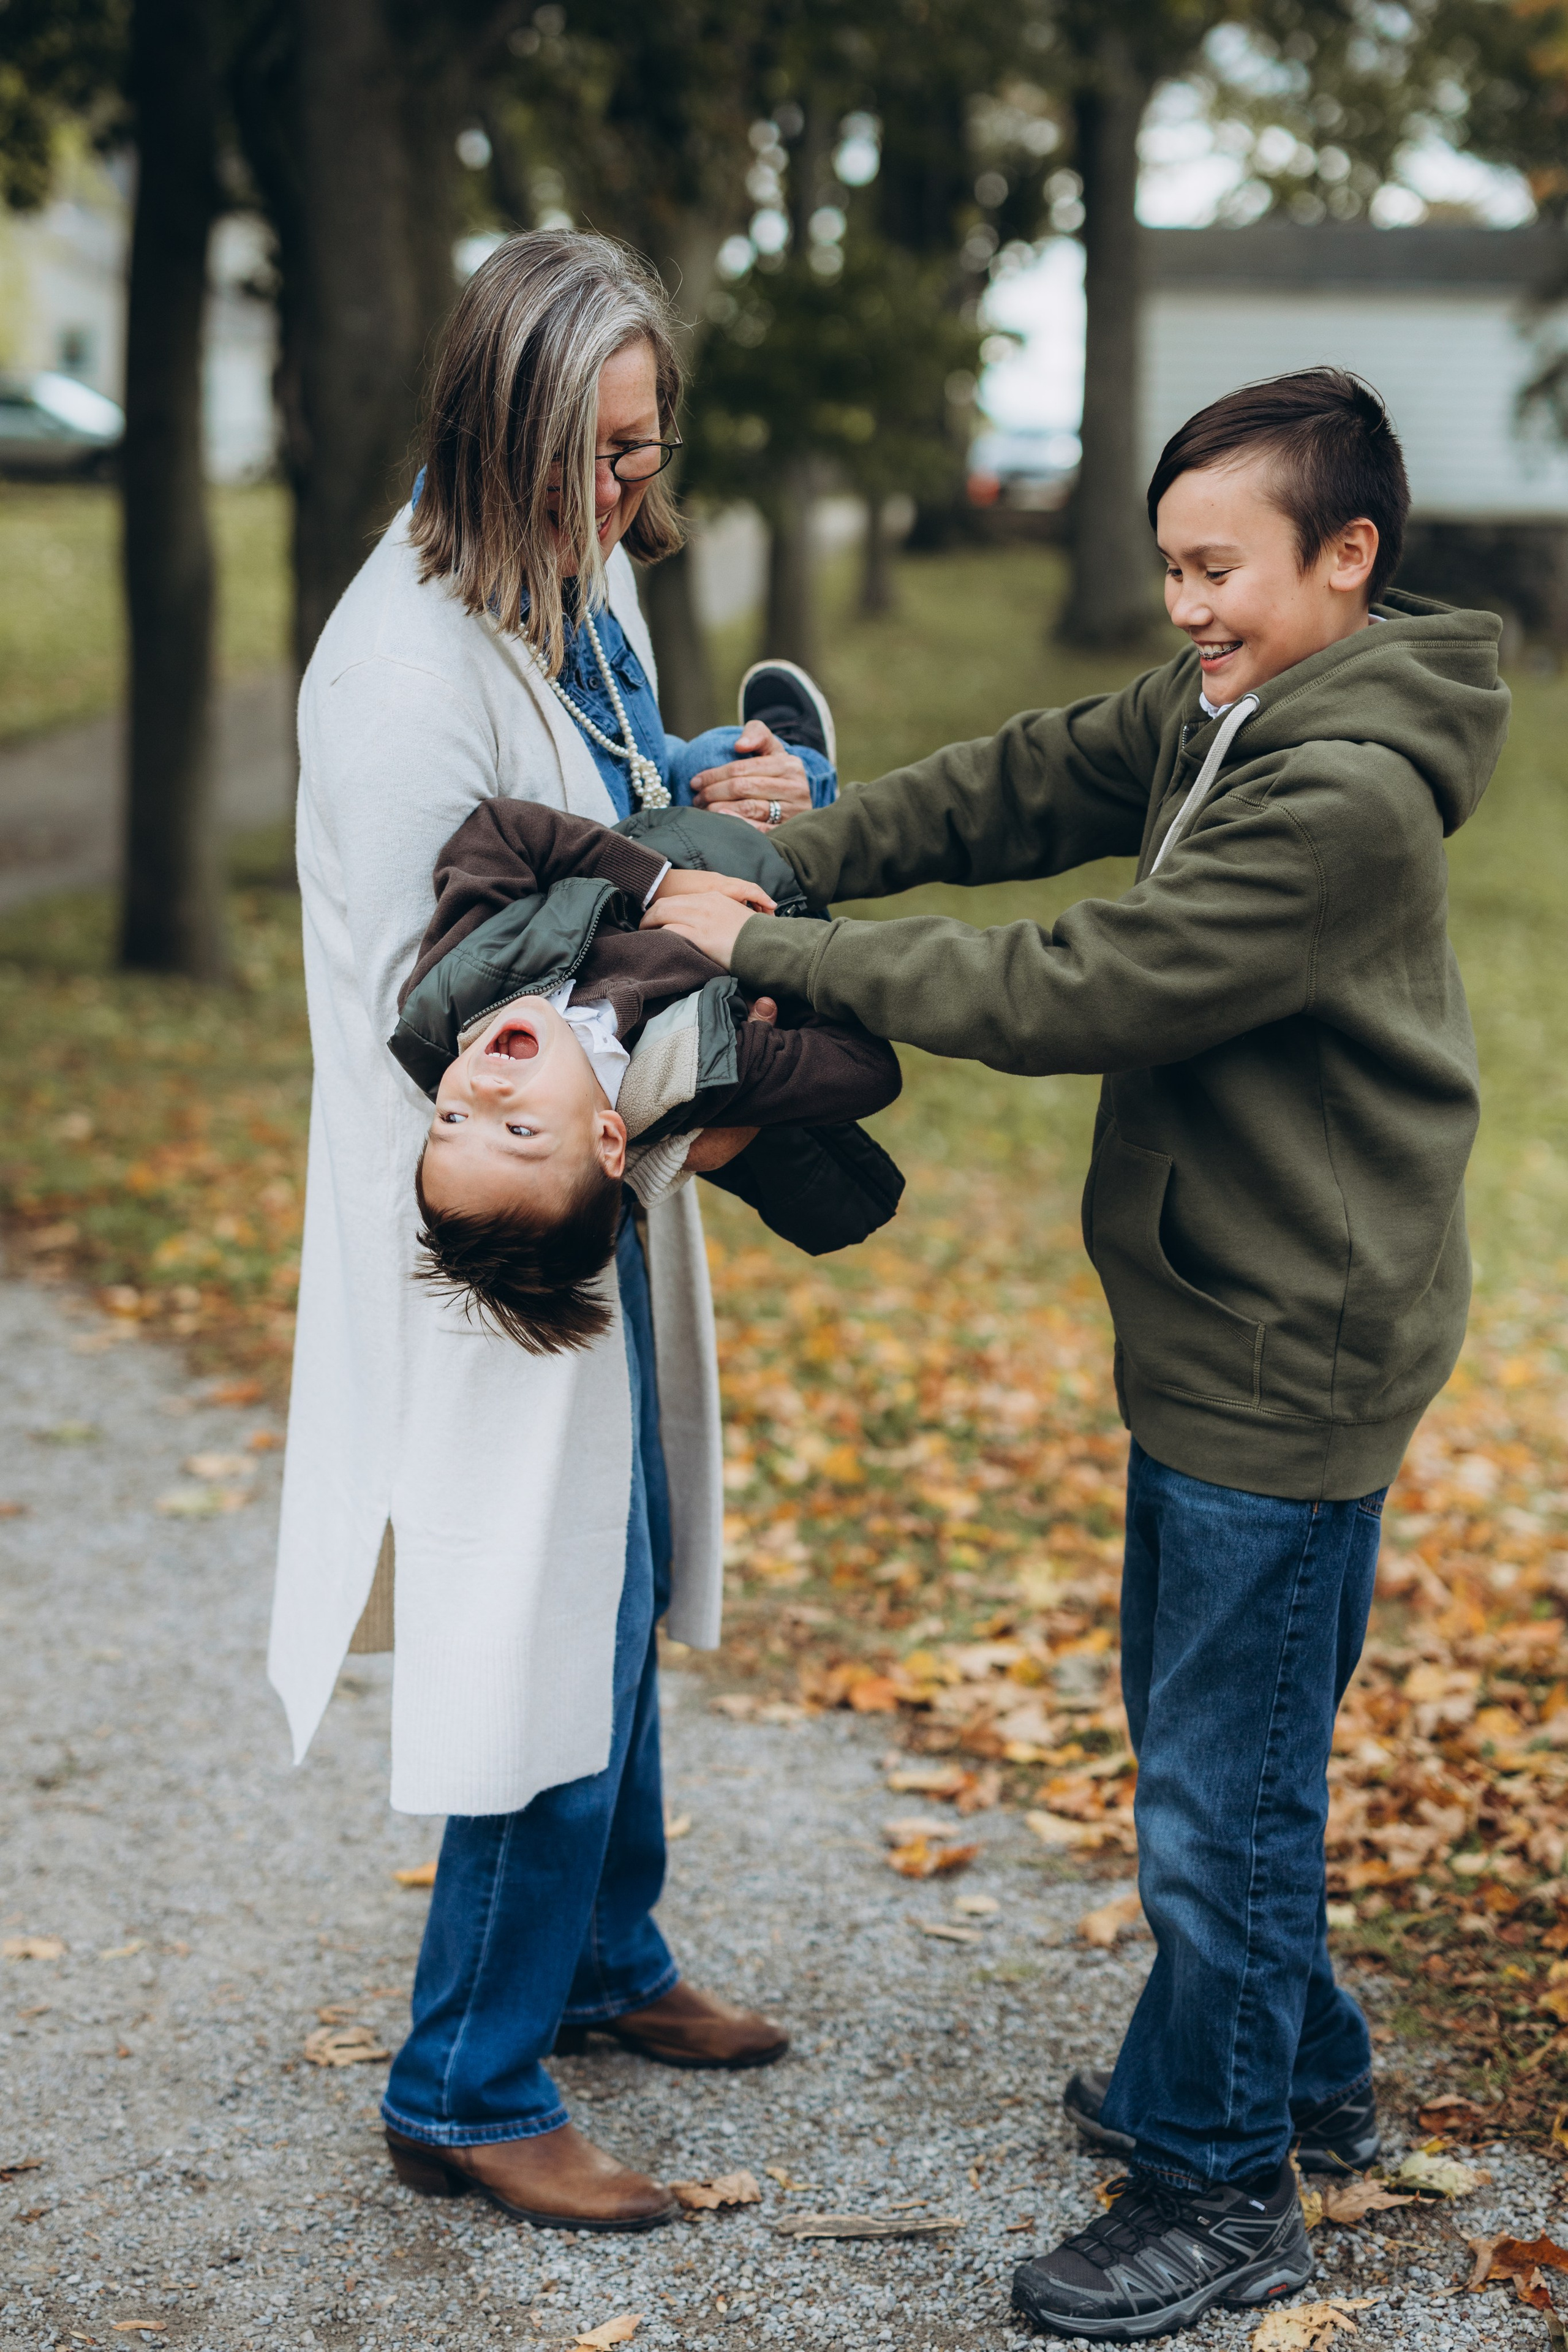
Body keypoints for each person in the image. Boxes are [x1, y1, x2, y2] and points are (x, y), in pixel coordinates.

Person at [641, 368, 1512, 2335]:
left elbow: (1089, 978)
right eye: (1170, 567)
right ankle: (1295, 2071)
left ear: (1345, 557)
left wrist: (764, 953)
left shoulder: (1342, 787)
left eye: (1220, 566)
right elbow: (1028, 779)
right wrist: (807, 853)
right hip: (1238, 1301)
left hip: (1289, 1335)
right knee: (1225, 1733)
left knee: (1220, 1782)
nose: (1186, 604)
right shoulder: (1233, 701)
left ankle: (1223, 2185)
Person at [269, 228, 831, 2236]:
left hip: (608, 1163)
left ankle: (605, 1958)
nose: (627, 501)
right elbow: (459, 1001)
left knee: (636, 1556)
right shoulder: (405, 670)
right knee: (543, 1608)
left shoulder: (555, 578)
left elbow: (591, 794)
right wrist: (697, 930)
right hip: (494, 1203)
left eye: (643, 454)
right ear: (496, 429)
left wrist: (704, 785)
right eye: (596, 458)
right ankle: (466, 2078)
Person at [391, 796, 905, 1351]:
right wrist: (762, 978)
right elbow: (871, 1071)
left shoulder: (456, 987)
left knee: (717, 756)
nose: (485, 1090)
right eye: (519, 1132)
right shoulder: (697, 1074)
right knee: (792, 772)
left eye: (452, 1117)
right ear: (608, 1138)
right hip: (774, 871)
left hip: (669, 820)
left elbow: (503, 832)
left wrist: (662, 885)